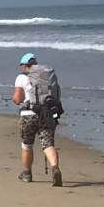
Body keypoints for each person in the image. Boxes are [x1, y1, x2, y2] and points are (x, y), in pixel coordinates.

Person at [11, 51, 63, 186]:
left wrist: (15, 99)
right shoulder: (47, 77)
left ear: (24, 65)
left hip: (28, 115)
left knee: (27, 144)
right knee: (48, 144)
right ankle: (55, 168)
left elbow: (18, 98)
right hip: (46, 114)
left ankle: (27, 173)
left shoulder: (21, 77)